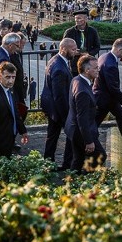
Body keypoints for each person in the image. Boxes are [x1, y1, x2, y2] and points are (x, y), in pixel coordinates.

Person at [40, 38, 78, 170]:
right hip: (57, 108)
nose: (75, 52)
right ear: (63, 49)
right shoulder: (60, 68)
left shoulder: (56, 60)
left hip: (51, 107)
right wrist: (67, 115)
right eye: (73, 49)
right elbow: (59, 96)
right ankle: (67, 164)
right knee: (70, 134)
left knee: (52, 135)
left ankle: (48, 161)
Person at [66, 55, 104, 172]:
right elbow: (82, 118)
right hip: (81, 132)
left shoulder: (76, 79)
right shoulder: (82, 91)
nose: (98, 69)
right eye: (96, 68)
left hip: (73, 128)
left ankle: (73, 182)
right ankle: (87, 179)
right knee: (100, 156)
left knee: (78, 159)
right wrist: (88, 141)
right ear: (87, 70)